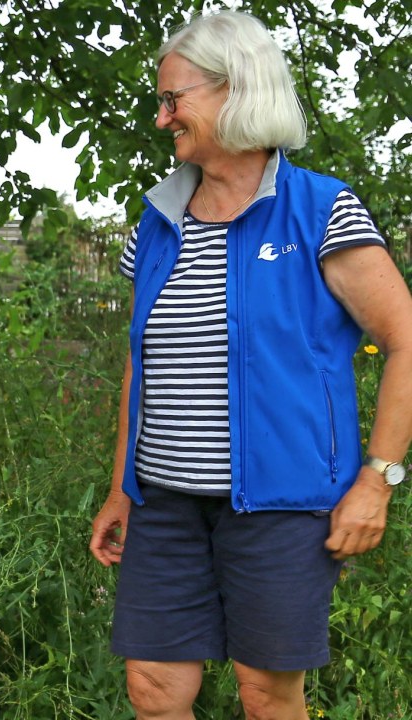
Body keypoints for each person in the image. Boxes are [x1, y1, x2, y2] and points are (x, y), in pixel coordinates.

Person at [88, 10, 412, 720]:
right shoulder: (157, 220)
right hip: (165, 502)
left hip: (282, 506)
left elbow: (404, 340)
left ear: (236, 90)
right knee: (153, 687)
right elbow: (142, 365)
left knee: (266, 695)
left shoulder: (321, 210)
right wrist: (121, 489)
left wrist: (379, 481)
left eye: (174, 99)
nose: (161, 117)